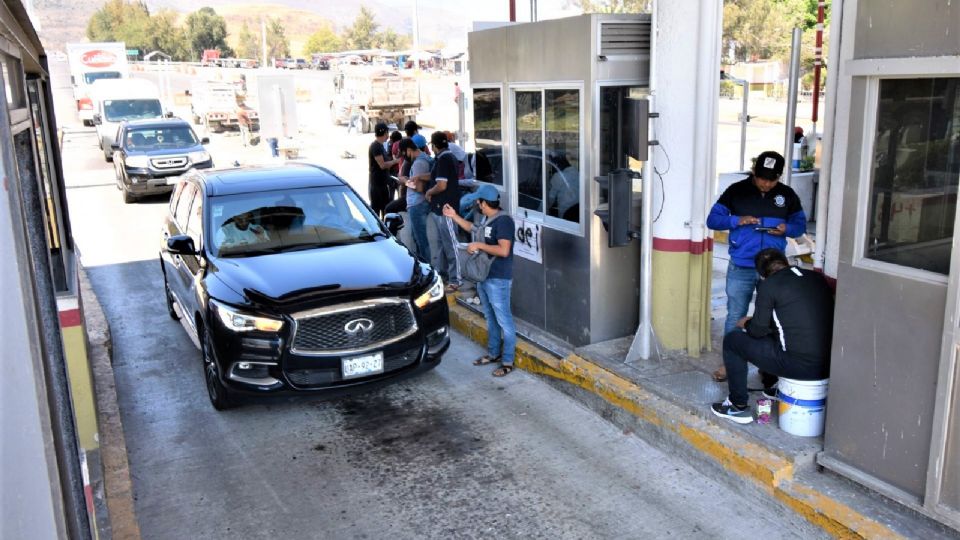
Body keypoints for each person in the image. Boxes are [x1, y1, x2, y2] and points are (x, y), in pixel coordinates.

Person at [706, 150, 806, 381]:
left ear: (779, 177)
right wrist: (736, 220)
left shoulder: (787, 195)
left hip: (773, 271)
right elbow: (713, 219)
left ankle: (769, 366)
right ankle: (730, 364)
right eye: (762, 178)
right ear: (754, 172)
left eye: (772, 179)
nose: (766, 183)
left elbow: (799, 224)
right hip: (741, 266)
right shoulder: (736, 191)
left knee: (772, 318)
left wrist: (786, 229)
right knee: (735, 316)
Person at [711, 249, 834, 424]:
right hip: (828, 366)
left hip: (799, 367)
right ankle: (777, 388)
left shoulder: (769, 286)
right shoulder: (815, 278)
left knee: (733, 341)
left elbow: (757, 331)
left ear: (762, 274)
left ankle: (737, 406)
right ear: (785, 261)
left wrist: (745, 323)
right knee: (780, 334)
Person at [443, 184, 516, 377]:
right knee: (490, 318)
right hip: (483, 277)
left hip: (498, 278)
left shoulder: (504, 222)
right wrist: (454, 216)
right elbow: (472, 228)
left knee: (504, 321)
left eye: (478, 201)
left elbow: (504, 250)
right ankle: (493, 354)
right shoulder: (486, 218)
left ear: (484, 202)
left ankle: (507, 361)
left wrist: (479, 245)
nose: (477, 204)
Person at [424, 131, 462, 292]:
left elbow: (441, 185)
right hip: (442, 209)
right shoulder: (447, 157)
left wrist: (429, 192)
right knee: (442, 244)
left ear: (434, 146)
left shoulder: (445, 159)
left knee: (452, 244)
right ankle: (442, 274)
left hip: (447, 209)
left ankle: (456, 279)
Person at [398, 135, 432, 261]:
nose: (404, 157)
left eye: (403, 153)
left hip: (417, 204)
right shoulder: (424, 159)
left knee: (420, 240)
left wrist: (404, 181)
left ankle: (426, 267)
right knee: (417, 238)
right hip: (418, 204)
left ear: (408, 149)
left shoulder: (419, 163)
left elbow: (419, 188)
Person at [368, 123, 399, 218]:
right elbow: (382, 165)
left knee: (385, 208)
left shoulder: (380, 146)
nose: (388, 135)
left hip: (383, 183)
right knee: (376, 211)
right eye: (387, 132)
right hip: (377, 185)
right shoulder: (376, 147)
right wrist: (395, 161)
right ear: (384, 133)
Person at [547, 154, 579, 221]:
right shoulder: (578, 173)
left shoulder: (558, 176)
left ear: (556, 164)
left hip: (566, 216)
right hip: (579, 215)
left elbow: (550, 200)